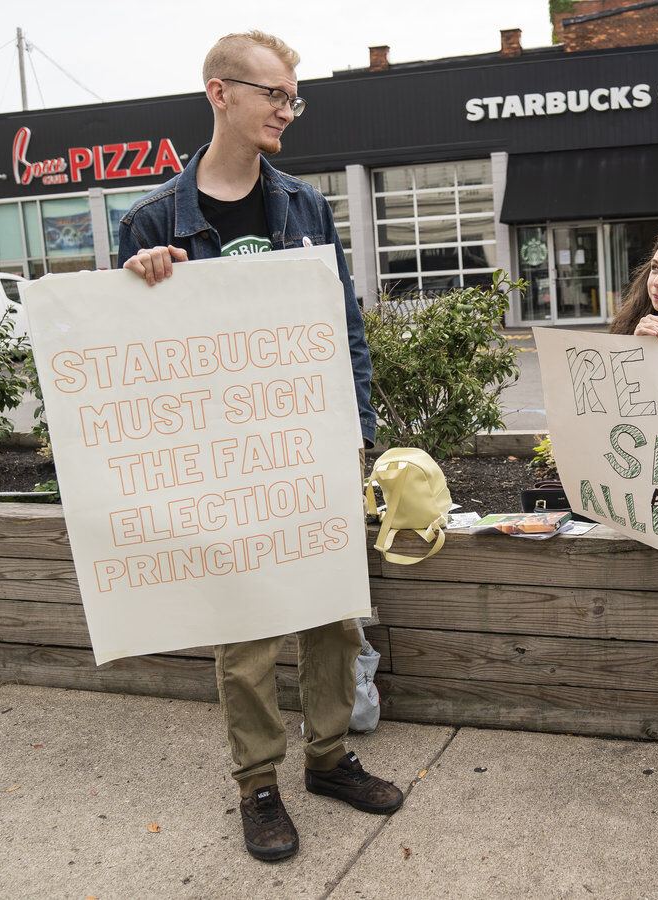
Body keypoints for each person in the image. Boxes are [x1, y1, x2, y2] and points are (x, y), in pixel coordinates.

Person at [115, 31, 398, 863]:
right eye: (274, 95)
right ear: (220, 94)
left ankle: (331, 756)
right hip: (224, 459)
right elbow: (126, 357)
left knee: (331, 616)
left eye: (292, 97)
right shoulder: (152, 221)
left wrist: (359, 430)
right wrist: (139, 288)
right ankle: (259, 785)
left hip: (310, 444)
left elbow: (343, 328)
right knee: (244, 632)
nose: (287, 110)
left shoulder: (303, 207)